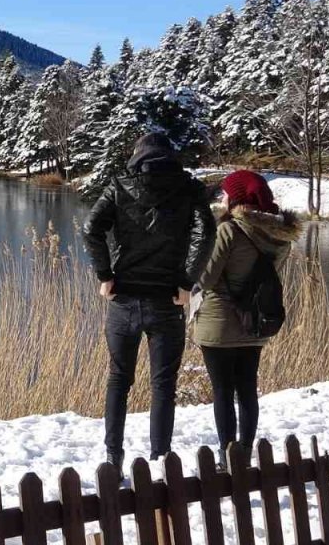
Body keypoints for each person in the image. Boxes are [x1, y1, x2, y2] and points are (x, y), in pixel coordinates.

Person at [82, 132, 216, 470]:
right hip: (167, 299)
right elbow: (207, 232)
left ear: (137, 157)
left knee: (118, 379)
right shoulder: (188, 188)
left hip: (124, 297)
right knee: (163, 385)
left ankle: (113, 455)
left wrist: (105, 275)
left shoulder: (121, 184)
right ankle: (159, 458)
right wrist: (187, 281)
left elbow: (90, 228)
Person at [192, 170, 301, 468]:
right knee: (247, 390)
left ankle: (228, 459)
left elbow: (206, 277)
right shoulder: (280, 237)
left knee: (223, 392)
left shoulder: (229, 231)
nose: (223, 198)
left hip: (219, 323)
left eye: (227, 193)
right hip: (255, 323)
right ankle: (246, 450)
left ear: (237, 198)